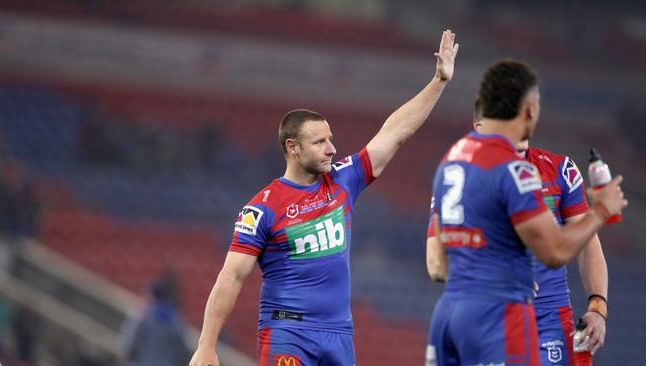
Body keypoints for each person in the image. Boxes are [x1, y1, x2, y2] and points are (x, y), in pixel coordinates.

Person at [190, 30, 459, 366]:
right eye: (319, 142)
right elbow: (231, 276)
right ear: (292, 147)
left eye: (330, 139)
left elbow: (395, 133)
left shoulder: (344, 180)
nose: (332, 148)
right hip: (287, 333)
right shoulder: (262, 209)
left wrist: (438, 82)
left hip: (339, 334)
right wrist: (206, 345)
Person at [424, 59, 626, 366]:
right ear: (530, 109)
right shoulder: (514, 172)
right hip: (508, 316)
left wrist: (597, 305)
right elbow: (555, 250)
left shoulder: (450, 165)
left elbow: (437, 265)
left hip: (455, 316)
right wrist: (600, 209)